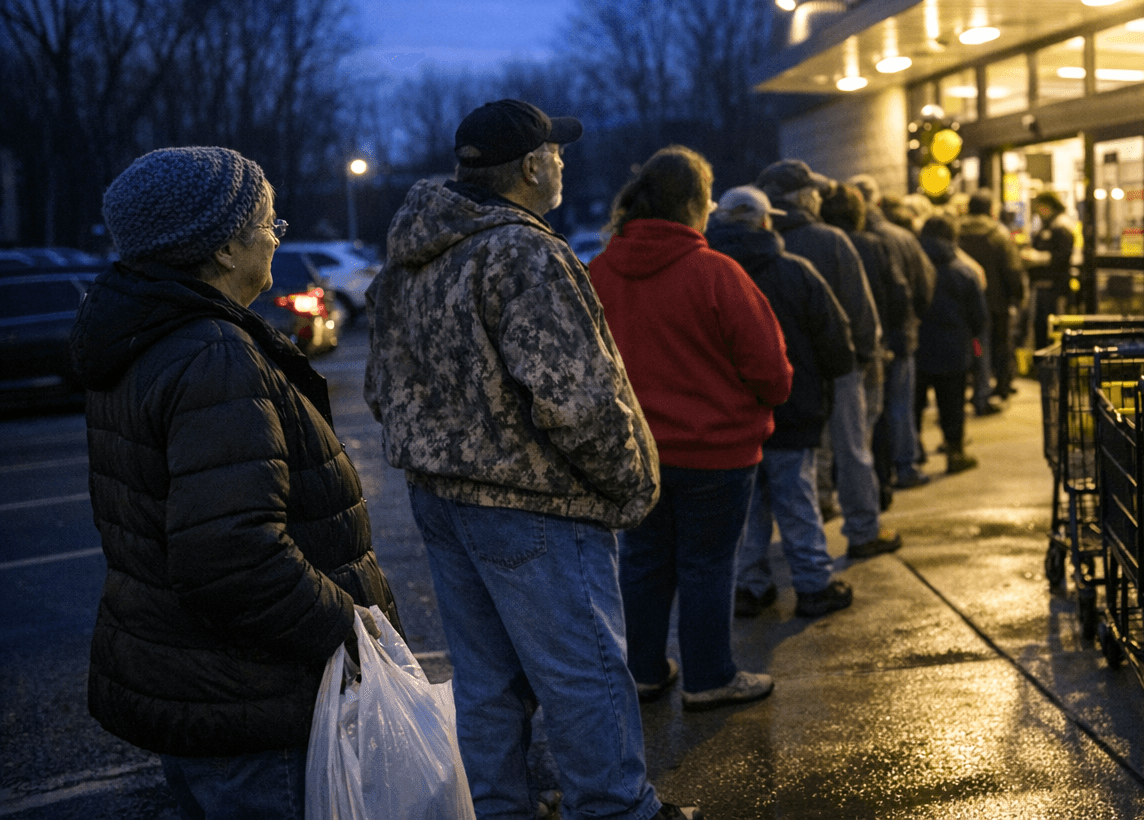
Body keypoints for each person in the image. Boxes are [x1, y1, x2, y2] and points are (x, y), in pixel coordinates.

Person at [366, 100, 698, 820]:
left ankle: (500, 808)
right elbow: (576, 400)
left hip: (442, 499)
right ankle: (616, 808)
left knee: (486, 678)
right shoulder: (522, 253)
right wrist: (630, 484)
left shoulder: (413, 257)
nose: (563, 164)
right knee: (583, 671)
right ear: (531, 166)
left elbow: (382, 386)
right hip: (534, 501)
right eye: (557, 153)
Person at [69, 147, 398, 820]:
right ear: (223, 248)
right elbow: (231, 554)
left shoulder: (145, 335)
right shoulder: (211, 352)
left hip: (203, 685)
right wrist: (350, 632)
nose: (276, 239)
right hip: (254, 700)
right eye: (269, 224)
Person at [590, 148, 791, 711]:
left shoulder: (599, 272)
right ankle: (709, 676)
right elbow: (771, 372)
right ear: (697, 205)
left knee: (642, 562)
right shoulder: (717, 274)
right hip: (716, 453)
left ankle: (643, 670)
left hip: (635, 453)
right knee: (708, 565)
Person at [706, 186, 856, 619]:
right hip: (794, 406)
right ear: (765, 222)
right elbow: (835, 341)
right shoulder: (796, 272)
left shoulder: (708, 275)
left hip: (732, 415)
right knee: (798, 500)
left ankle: (749, 584)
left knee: (747, 507)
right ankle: (812, 583)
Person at [756, 160, 902, 559]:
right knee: (852, 450)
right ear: (802, 198)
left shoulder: (756, 245)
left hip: (779, 369)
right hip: (839, 366)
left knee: (798, 457)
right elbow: (860, 310)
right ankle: (863, 529)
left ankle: (807, 529)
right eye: (814, 193)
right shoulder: (831, 241)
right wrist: (866, 357)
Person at [819, 182, 906, 506]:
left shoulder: (810, 245)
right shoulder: (871, 245)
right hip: (863, 352)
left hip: (821, 354)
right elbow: (896, 295)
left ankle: (825, 498)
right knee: (862, 436)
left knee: (826, 439)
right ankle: (869, 506)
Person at [848, 175, 935, 492]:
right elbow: (923, 284)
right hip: (899, 336)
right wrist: (911, 320)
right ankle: (904, 466)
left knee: (867, 412)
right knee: (899, 405)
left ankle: (876, 475)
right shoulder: (900, 237)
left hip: (864, 340)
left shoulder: (849, 239)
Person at [915, 214, 988, 475]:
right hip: (954, 348)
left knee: (913, 405)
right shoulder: (964, 272)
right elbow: (979, 317)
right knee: (952, 405)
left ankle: (914, 453)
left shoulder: (914, 267)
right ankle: (954, 452)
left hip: (918, 347)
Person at [958, 192, 1025, 411]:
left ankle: (972, 389)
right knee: (999, 345)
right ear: (990, 209)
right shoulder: (998, 234)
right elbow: (1012, 268)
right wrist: (1017, 295)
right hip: (996, 300)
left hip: (964, 301)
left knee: (972, 347)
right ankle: (1000, 386)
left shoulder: (957, 231)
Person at [1024, 191, 1076, 355]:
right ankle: (1043, 359)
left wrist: (1038, 258)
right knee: (1040, 326)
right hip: (1042, 286)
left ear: (1049, 206)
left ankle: (1053, 359)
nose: (1038, 210)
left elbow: (1062, 256)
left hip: (1055, 287)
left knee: (1052, 327)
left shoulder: (1061, 226)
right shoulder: (1047, 225)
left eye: (1041, 206)